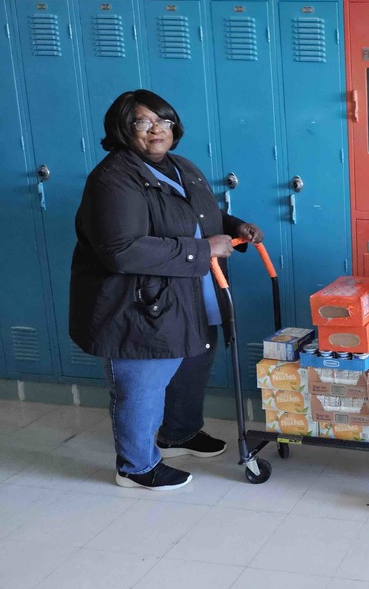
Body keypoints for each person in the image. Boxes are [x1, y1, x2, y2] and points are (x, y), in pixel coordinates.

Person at [70, 89, 263, 491]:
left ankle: (178, 434)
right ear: (123, 128)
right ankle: (136, 466)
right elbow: (121, 251)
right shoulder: (114, 178)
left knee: (192, 367)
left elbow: (198, 213)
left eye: (164, 121)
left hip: (191, 294)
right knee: (142, 383)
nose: (157, 130)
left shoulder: (181, 166)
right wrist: (204, 248)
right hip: (140, 305)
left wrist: (233, 226)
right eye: (144, 122)